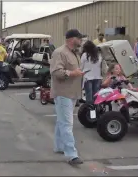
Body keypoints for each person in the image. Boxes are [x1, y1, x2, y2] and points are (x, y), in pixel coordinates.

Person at [49, 29, 84, 165]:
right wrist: (72, 73)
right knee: (67, 123)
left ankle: (59, 146)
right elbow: (56, 72)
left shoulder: (74, 53)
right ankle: (71, 154)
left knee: (61, 121)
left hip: (72, 92)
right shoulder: (60, 52)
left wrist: (77, 73)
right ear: (72, 39)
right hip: (63, 93)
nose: (81, 40)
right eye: (79, 38)